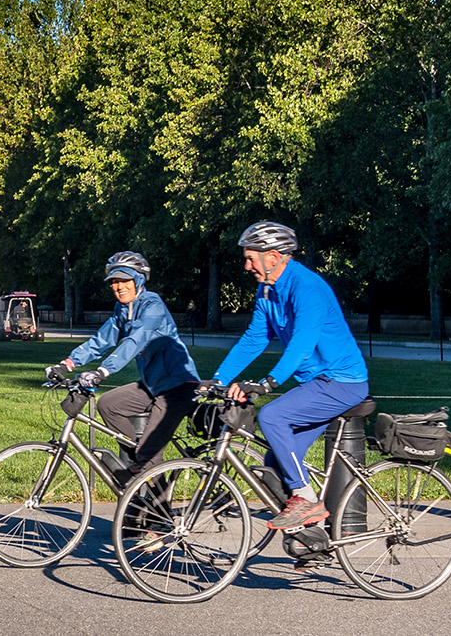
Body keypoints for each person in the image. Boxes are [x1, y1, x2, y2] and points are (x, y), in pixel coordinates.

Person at [213, 221, 369, 532]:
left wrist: (268, 382)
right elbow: (255, 338)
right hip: (316, 384)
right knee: (275, 464)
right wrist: (218, 378)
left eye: (250, 258)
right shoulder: (268, 289)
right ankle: (313, 540)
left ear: (272, 255)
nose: (246, 266)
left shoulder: (307, 287)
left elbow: (302, 342)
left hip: (341, 381)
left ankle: (306, 499)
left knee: (271, 417)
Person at [46, 251, 201, 485]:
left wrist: (102, 371)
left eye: (124, 281)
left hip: (178, 387)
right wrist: (67, 364)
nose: (119, 287)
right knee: (109, 404)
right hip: (152, 385)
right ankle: (138, 460)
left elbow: (134, 341)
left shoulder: (153, 306)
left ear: (138, 280)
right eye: (114, 282)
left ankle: (158, 513)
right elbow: (101, 340)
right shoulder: (122, 310)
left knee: (148, 454)